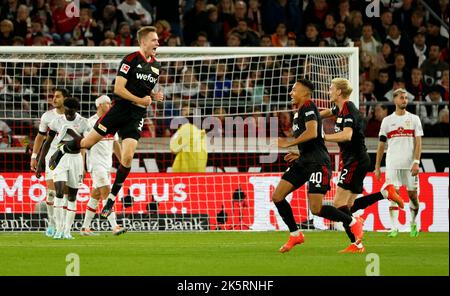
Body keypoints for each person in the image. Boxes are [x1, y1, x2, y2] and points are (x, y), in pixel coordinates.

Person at [48, 26, 164, 218]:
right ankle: (62, 149)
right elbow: (118, 89)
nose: (158, 43)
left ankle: (110, 200)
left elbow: (143, 88)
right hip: (119, 110)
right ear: (143, 42)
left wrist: (153, 95)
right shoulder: (129, 60)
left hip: (136, 116)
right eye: (154, 40)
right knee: (86, 143)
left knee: (127, 159)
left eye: (158, 40)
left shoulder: (157, 66)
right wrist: (140, 99)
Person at [273, 79, 363, 254]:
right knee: (277, 196)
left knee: (316, 209)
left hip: (318, 164)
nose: (291, 93)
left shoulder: (308, 105)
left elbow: (313, 132)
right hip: (304, 161)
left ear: (305, 93)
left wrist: (289, 143)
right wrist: (299, 152)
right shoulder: (299, 112)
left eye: (294, 89)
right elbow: (314, 141)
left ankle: (353, 222)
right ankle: (295, 234)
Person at [320, 78, 402, 253]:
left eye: (331, 88)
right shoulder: (340, 108)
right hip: (356, 159)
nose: (329, 91)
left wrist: (323, 137)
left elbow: (347, 135)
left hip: (355, 160)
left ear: (339, 92)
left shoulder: (349, 109)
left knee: (338, 205)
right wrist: (309, 115)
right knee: (347, 207)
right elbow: (327, 112)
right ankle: (384, 193)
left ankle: (357, 239)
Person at [36, 97, 90, 240]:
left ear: (76, 110)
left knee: (72, 197)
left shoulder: (83, 123)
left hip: (76, 160)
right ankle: (59, 229)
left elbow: (87, 144)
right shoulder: (57, 121)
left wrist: (84, 165)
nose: (68, 114)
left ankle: (67, 230)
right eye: (66, 110)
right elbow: (47, 143)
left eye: (71, 112)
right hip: (60, 158)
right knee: (58, 192)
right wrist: (40, 162)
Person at [375, 88, 424, 238]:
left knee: (412, 196)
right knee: (393, 194)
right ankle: (394, 227)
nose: (404, 100)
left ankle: (413, 223)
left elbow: (418, 142)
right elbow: (381, 145)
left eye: (406, 98)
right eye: (402, 98)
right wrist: (377, 166)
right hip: (392, 164)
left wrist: (416, 162)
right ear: (395, 100)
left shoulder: (414, 119)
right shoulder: (387, 121)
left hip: (409, 165)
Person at [80, 95, 127, 236]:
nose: (110, 106)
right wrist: (82, 166)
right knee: (107, 192)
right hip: (96, 164)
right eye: (108, 104)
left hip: (107, 165)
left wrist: (123, 162)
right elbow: (83, 145)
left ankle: (84, 228)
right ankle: (115, 226)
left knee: (96, 194)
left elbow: (115, 143)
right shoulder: (90, 123)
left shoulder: (112, 121)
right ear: (100, 105)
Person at [30, 88, 69, 237]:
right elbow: (41, 137)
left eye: (58, 97)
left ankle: (64, 226)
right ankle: (52, 223)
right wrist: (34, 156)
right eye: (53, 96)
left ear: (65, 99)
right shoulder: (47, 116)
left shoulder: (73, 116)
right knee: (52, 192)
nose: (54, 99)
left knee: (65, 194)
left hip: (67, 158)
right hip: (51, 158)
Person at [169, 108, 207, 172]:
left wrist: (179, 132)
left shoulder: (187, 128)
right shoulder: (202, 132)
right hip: (200, 169)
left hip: (185, 169)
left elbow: (173, 148)